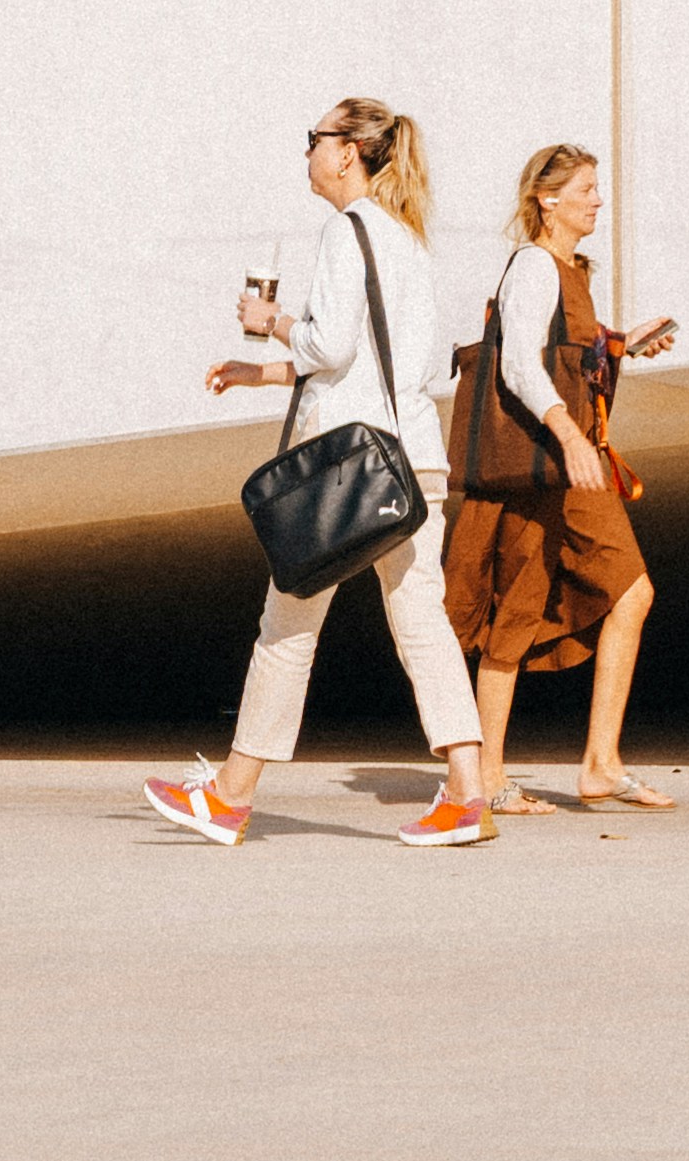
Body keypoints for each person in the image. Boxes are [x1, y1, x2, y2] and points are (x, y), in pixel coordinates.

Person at [142, 97, 495, 852]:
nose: (308, 151)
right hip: (411, 459)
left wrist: (268, 320)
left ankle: (230, 798)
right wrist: (261, 371)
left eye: (316, 139)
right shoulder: (403, 239)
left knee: (287, 626)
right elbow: (375, 360)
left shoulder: (345, 229)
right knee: (423, 624)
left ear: (349, 151)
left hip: (347, 473)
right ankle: (469, 792)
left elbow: (330, 347)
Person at [443, 140, 676, 814]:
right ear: (548, 199)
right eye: (585, 189)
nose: (598, 199)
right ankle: (590, 763)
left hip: (560, 465)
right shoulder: (535, 266)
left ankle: (532, 769)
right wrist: (571, 433)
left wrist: (625, 341)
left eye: (597, 189)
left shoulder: (571, 270)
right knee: (623, 593)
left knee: (519, 610)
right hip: (555, 460)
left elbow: (568, 354)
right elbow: (519, 360)